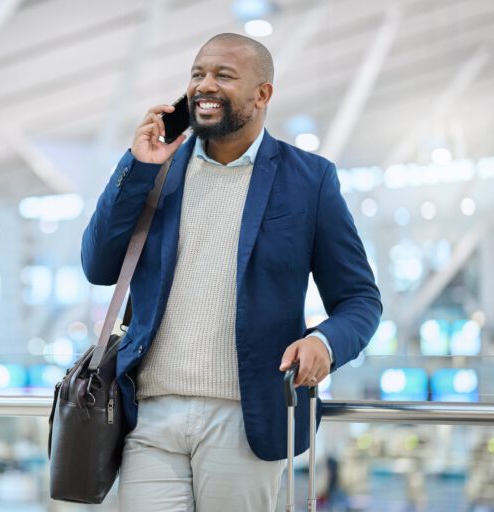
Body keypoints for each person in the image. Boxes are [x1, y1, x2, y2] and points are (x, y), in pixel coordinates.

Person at [81, 33, 381, 511]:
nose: (205, 85)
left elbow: (360, 300)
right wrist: (136, 166)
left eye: (223, 75)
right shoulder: (157, 169)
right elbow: (98, 266)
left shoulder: (308, 180)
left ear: (262, 94)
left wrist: (323, 343)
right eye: (198, 74)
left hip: (248, 418)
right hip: (151, 417)